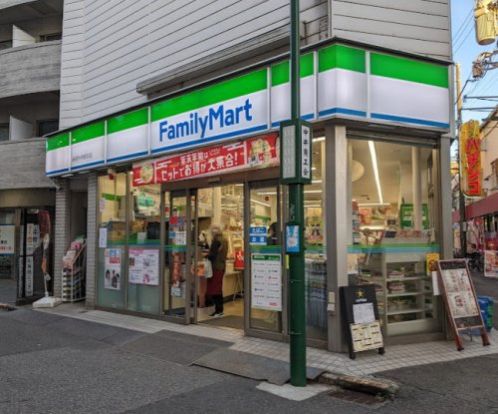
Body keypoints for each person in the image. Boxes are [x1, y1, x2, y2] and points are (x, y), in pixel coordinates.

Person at [206, 225, 228, 317]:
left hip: (216, 267)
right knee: (218, 288)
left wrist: (205, 255)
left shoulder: (216, 241)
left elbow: (212, 255)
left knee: (215, 289)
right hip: (222, 266)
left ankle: (218, 311)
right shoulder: (225, 240)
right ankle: (219, 310)